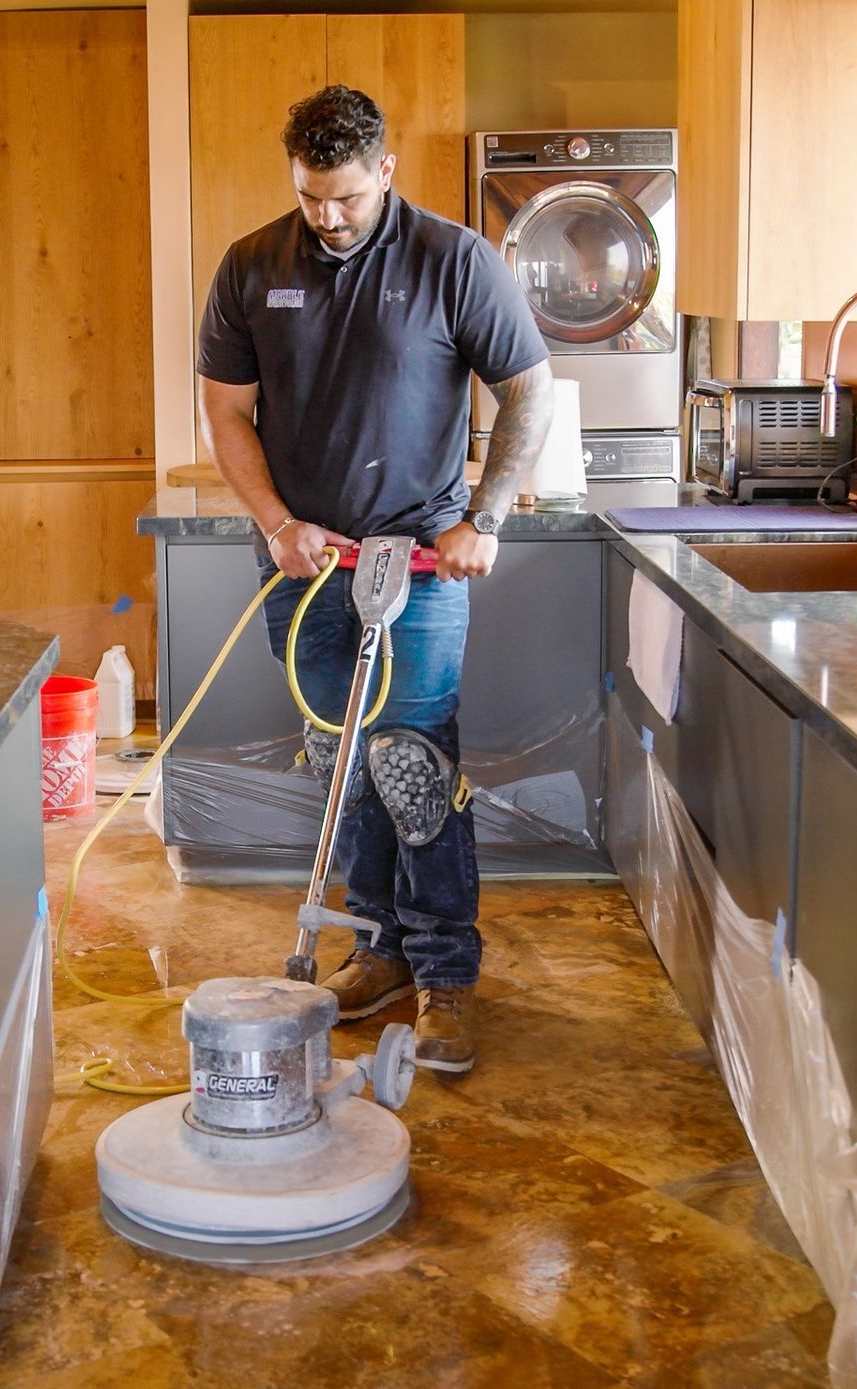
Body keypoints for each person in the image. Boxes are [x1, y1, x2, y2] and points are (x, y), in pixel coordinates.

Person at [196, 85, 554, 1073]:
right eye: (312, 197)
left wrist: (484, 516)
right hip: (305, 566)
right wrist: (276, 524)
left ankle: (446, 975)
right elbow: (228, 411)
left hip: (420, 566)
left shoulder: (453, 260)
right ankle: (384, 949)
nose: (329, 217)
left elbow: (527, 387)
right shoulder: (252, 266)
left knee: (415, 767)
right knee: (341, 760)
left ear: (386, 171)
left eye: (347, 197)